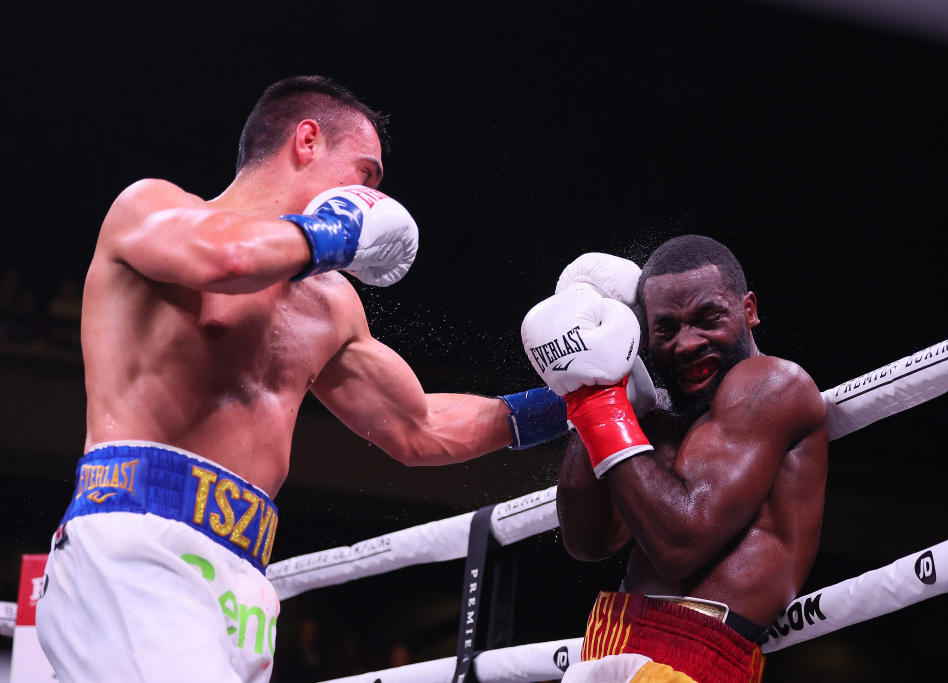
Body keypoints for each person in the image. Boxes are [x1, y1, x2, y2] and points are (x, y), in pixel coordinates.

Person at [35, 75, 570, 683]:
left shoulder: (330, 305)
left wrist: (571, 407)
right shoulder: (153, 208)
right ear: (307, 140)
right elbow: (226, 260)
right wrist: (334, 232)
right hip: (135, 546)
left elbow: (419, 428)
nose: (373, 201)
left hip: (242, 579)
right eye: (365, 175)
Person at [520, 237, 828, 682]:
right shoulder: (657, 414)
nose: (686, 344)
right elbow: (587, 541)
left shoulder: (772, 383)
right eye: (666, 329)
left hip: (695, 657)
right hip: (607, 640)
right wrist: (590, 386)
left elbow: (678, 548)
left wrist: (602, 408)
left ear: (748, 310)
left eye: (709, 319)